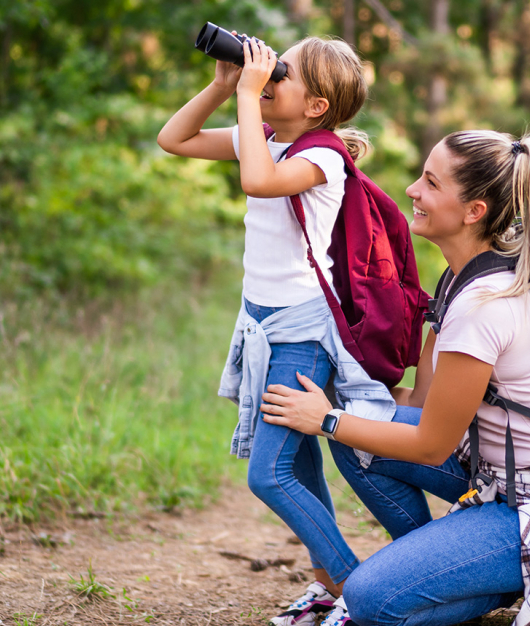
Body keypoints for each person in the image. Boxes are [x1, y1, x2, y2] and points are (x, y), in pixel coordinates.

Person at [261, 130, 530, 626]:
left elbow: (432, 445)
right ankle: (443, 572)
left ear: (474, 210)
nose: (412, 190)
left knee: (371, 601)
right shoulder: (460, 279)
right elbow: (422, 402)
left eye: (430, 183)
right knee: (363, 433)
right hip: (499, 477)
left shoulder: (483, 307)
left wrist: (326, 421)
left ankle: (453, 576)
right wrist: (348, 391)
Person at [158, 35, 396, 626]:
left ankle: (354, 590)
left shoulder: (323, 158)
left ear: (316, 107)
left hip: (302, 331)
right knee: (303, 467)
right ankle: (327, 586)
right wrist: (222, 85)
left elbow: (258, 182)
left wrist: (245, 93)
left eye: (277, 76)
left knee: (269, 473)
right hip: (262, 326)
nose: (264, 80)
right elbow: (174, 139)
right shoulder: (265, 138)